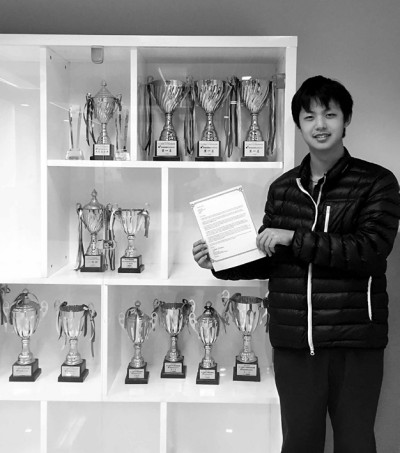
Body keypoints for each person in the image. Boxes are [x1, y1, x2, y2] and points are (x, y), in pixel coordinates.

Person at [192, 75, 400, 453]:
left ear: (346, 120)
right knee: (299, 443)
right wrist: (219, 260)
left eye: (330, 115)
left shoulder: (377, 182)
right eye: (309, 116)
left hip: (355, 341)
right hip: (294, 342)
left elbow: (370, 250)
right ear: (299, 124)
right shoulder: (284, 188)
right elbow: (272, 258)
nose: (320, 124)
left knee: (356, 443)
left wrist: (295, 237)